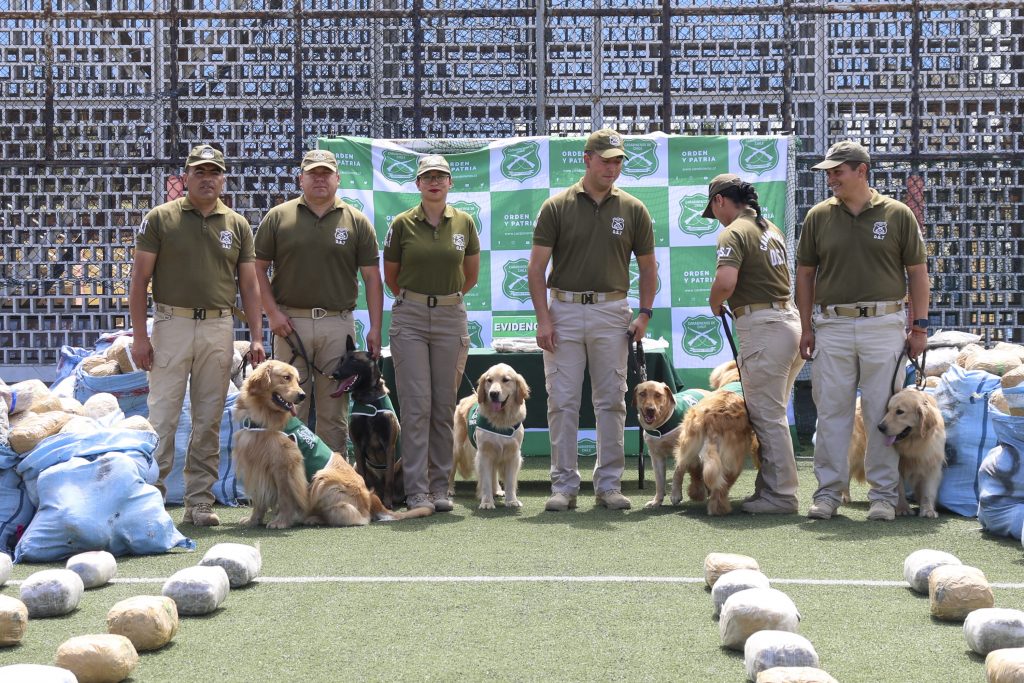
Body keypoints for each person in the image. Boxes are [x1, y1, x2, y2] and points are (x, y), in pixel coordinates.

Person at [129, 143, 266, 527]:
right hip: (171, 323)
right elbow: (139, 280)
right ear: (185, 177)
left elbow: (250, 286)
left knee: (208, 418)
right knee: (163, 417)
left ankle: (199, 503)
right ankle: (150, 501)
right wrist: (141, 337)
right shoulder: (161, 218)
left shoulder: (237, 224)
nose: (207, 179)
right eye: (200, 172)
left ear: (224, 178)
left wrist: (256, 335)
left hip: (219, 326)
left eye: (214, 172)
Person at [796, 140, 930, 522]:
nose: (831, 179)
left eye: (837, 171)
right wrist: (805, 326)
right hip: (832, 324)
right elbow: (805, 275)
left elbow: (918, 274)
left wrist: (918, 326)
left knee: (881, 414)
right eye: (828, 172)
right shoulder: (818, 216)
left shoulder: (898, 213)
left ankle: (883, 497)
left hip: (885, 323)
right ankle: (827, 494)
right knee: (832, 412)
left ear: (861, 170)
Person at [528, 128, 657, 512]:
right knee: (562, 402)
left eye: (618, 161)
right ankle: (564, 486)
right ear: (587, 159)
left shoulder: (634, 208)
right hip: (563, 309)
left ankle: (608, 485)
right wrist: (543, 320)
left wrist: (645, 313)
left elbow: (648, 268)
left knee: (612, 402)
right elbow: (536, 269)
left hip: (612, 310)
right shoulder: (556, 206)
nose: (613, 167)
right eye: (606, 160)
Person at [254, 149, 384, 454]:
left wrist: (376, 327)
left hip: (337, 324)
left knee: (333, 412)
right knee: (286, 407)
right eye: (313, 173)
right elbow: (256, 269)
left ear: (338, 179)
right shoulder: (278, 216)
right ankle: (290, 485)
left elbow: (372, 278)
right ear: (301, 179)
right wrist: (271, 313)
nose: (320, 179)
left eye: (326, 173)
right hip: (290, 324)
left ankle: (333, 486)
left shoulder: (357, 220)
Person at [383, 155, 480, 514]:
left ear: (450, 183)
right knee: (416, 406)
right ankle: (417, 490)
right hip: (409, 316)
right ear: (418, 184)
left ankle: (441, 487)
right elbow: (391, 275)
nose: (434, 182)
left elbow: (470, 275)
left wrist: (443, 301)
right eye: (428, 177)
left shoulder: (465, 222)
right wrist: (419, 300)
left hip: (450, 316)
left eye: (441, 176)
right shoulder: (402, 223)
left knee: (442, 406)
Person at [706, 174, 805, 515]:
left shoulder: (733, 231)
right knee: (772, 414)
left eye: (714, 208)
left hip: (765, 328)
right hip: (787, 322)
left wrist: (714, 301)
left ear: (720, 200)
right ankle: (770, 489)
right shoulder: (770, 227)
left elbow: (726, 281)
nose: (715, 216)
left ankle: (782, 495)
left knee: (767, 416)